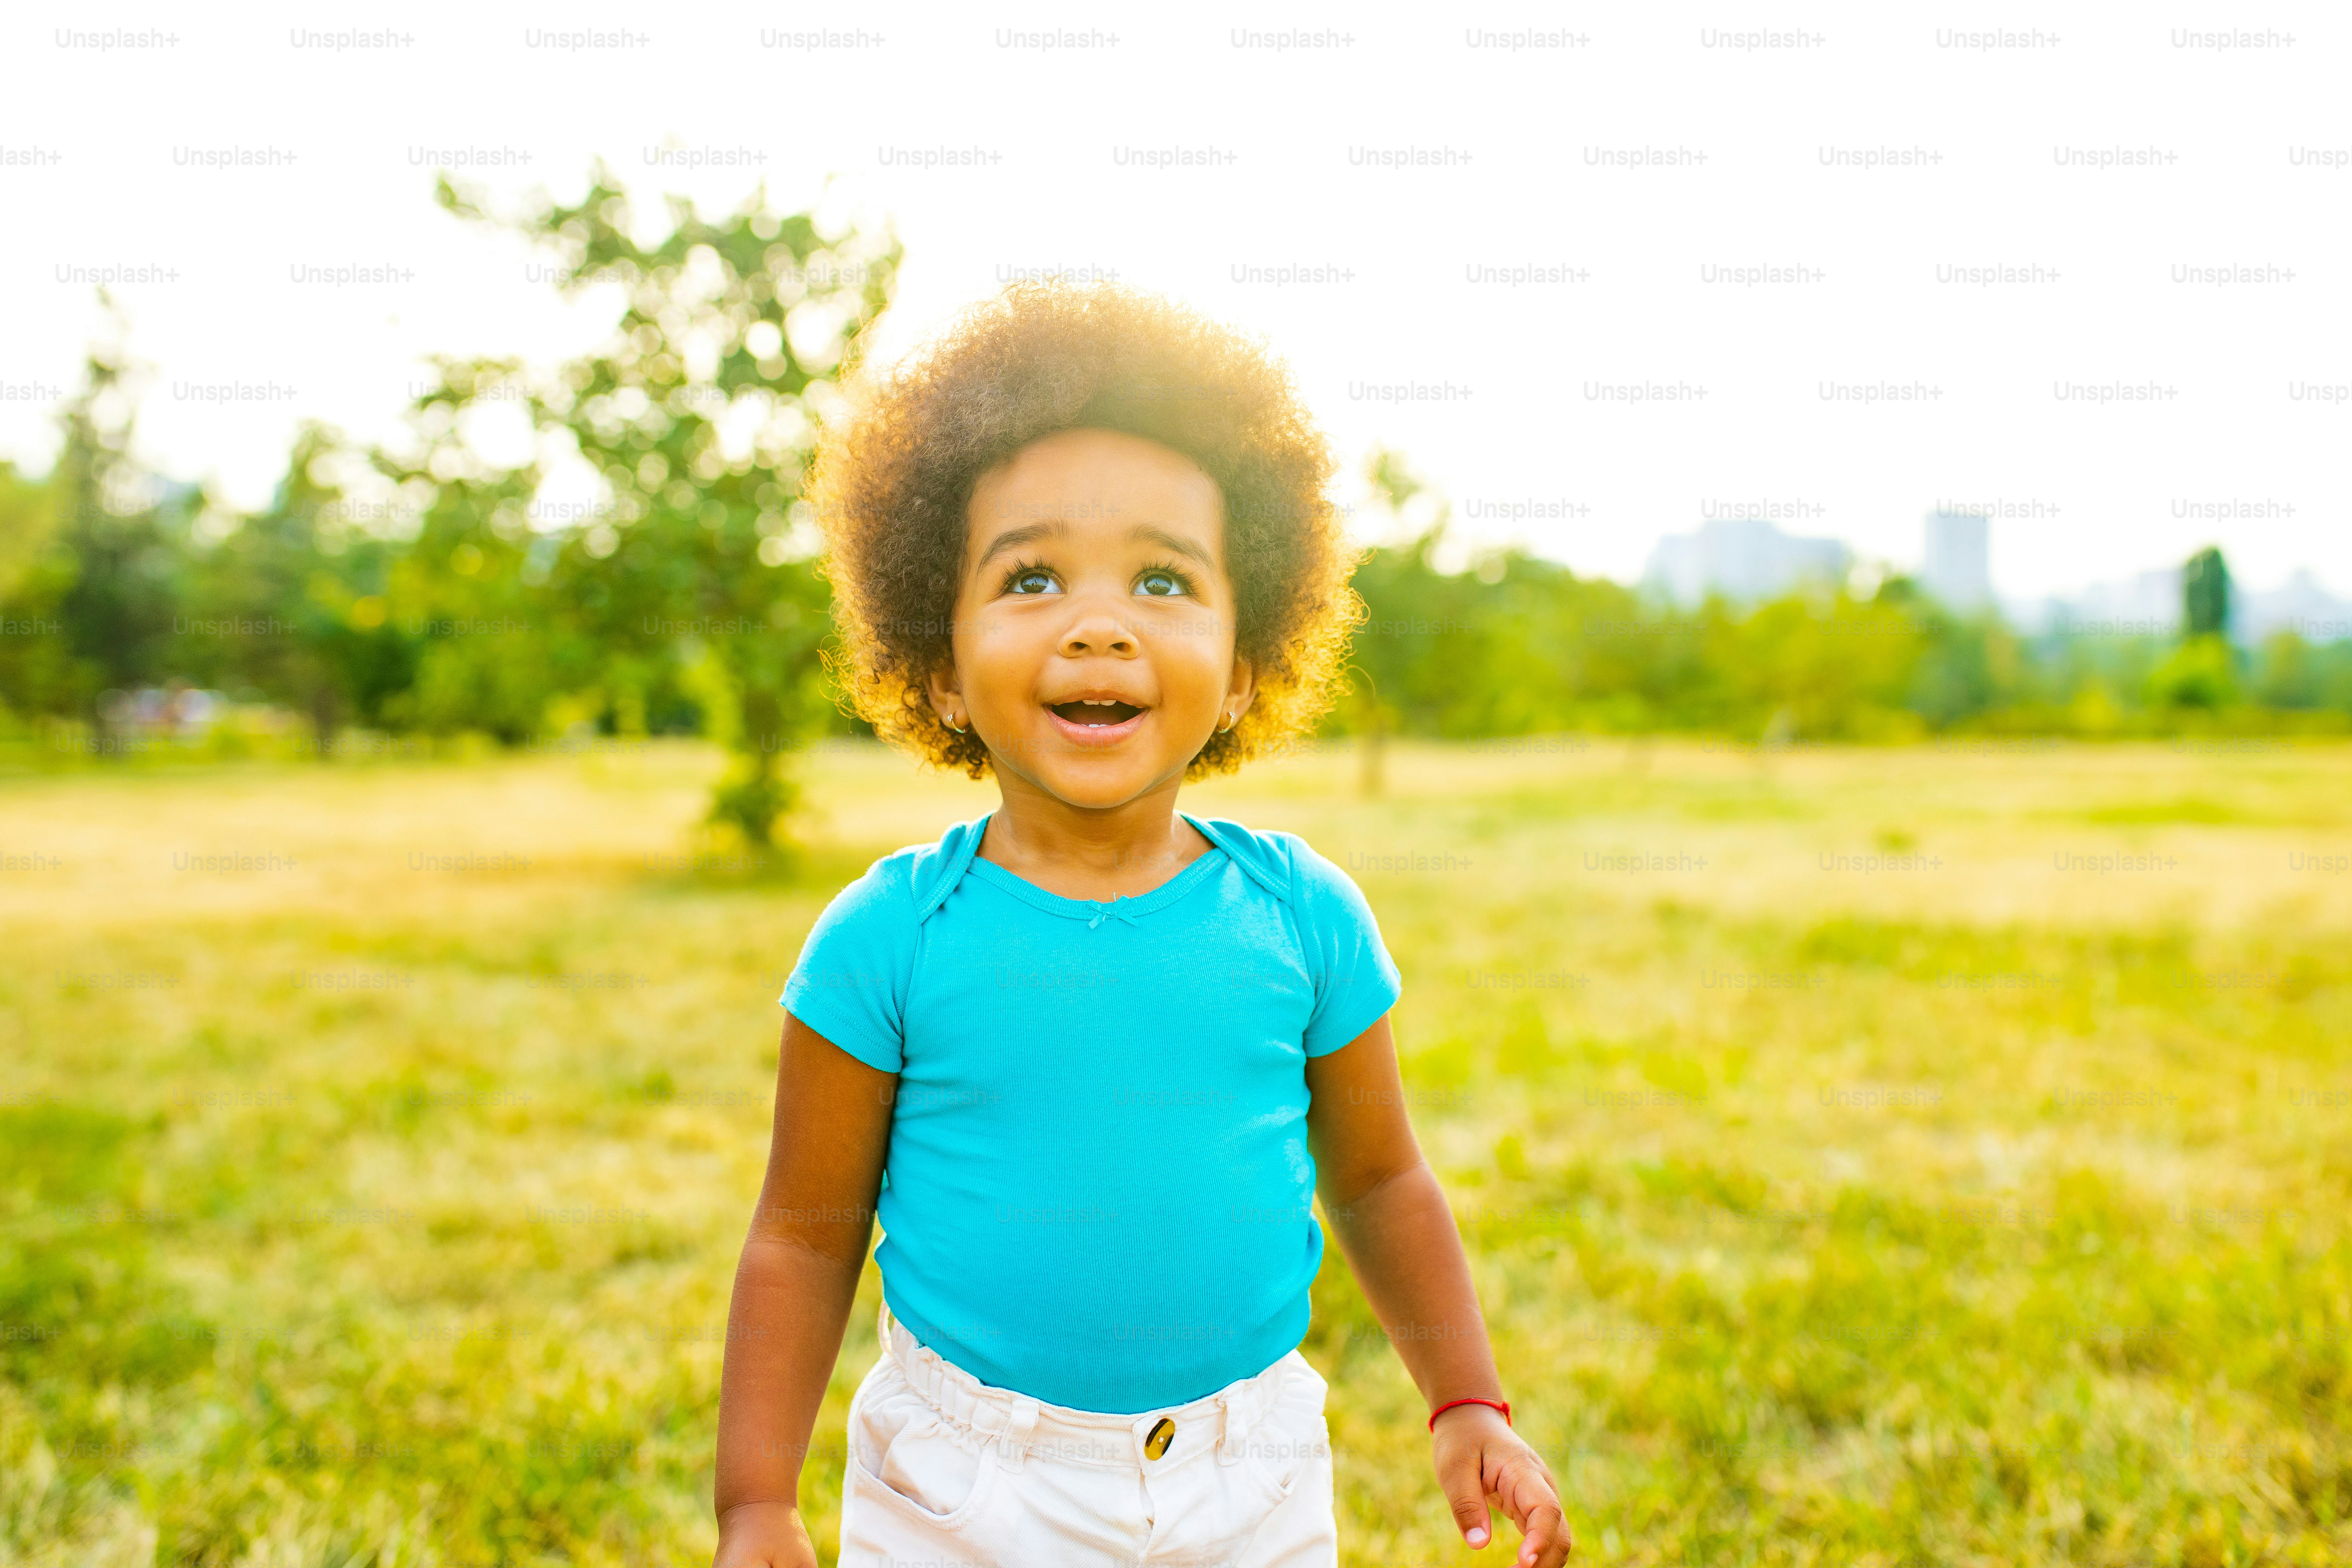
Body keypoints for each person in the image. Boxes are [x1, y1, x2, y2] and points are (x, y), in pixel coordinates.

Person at [711, 281, 1568, 1568]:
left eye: (1163, 579)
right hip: (965, 1481)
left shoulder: (1303, 917)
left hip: (1252, 1474)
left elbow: (1383, 1178)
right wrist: (756, 1502)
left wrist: (1465, 1399)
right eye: (1032, 576)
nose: (1099, 622)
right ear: (939, 662)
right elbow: (801, 1229)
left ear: (1240, 668)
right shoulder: (889, 936)